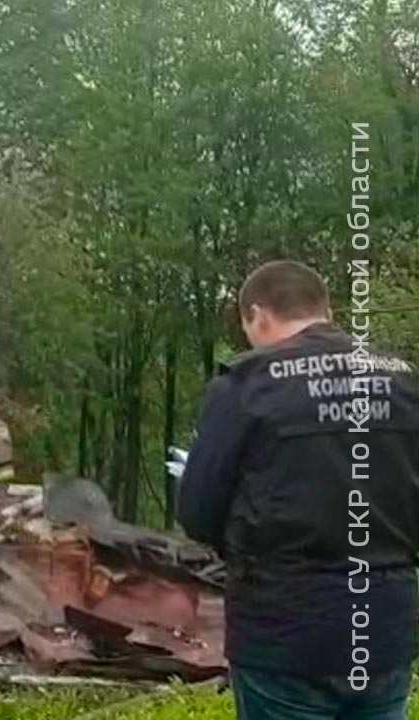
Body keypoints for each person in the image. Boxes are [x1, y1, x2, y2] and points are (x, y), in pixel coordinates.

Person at [178, 260, 419, 719]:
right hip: (386, 623)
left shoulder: (246, 385)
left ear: (258, 314)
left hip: (283, 629)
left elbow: (198, 510)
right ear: (324, 310)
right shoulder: (402, 379)